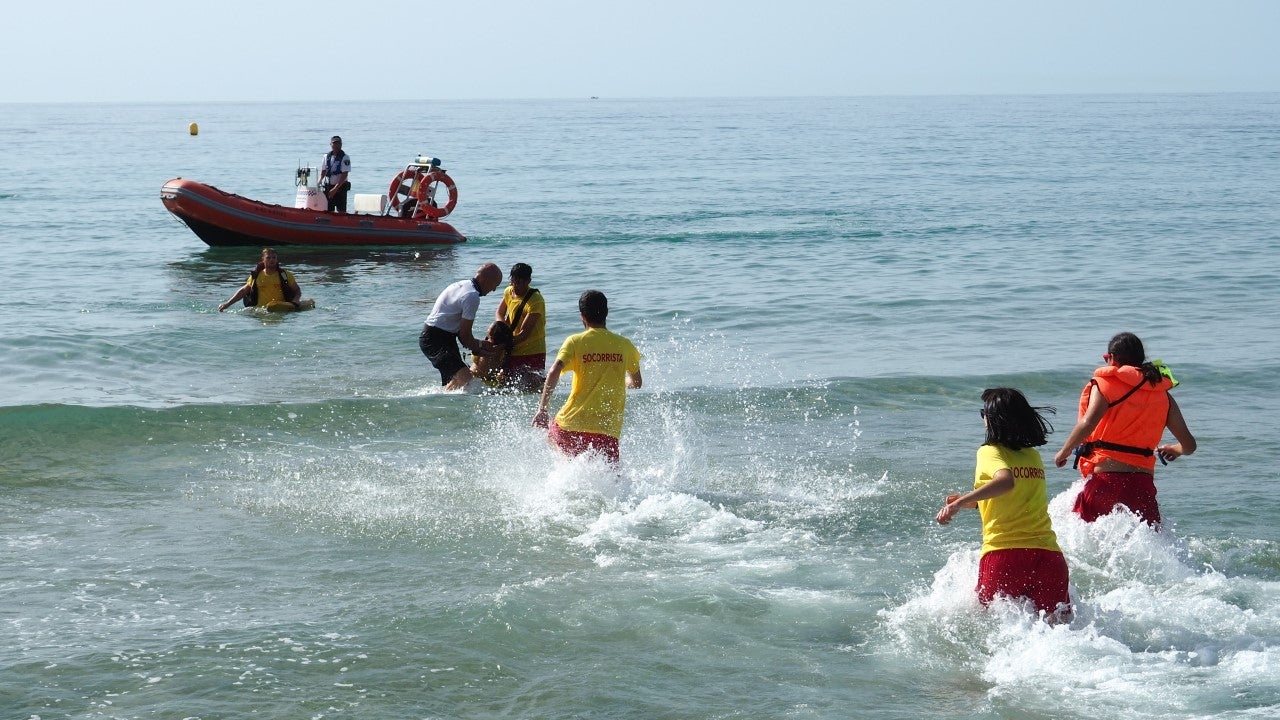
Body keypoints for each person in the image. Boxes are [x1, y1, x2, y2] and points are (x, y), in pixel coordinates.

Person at [936, 388, 1071, 621]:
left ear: (993, 419)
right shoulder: (1032, 456)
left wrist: (959, 503)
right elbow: (1018, 499)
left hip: (1005, 557)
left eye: (983, 413)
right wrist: (973, 502)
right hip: (1048, 559)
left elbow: (1005, 482)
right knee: (1058, 635)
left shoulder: (989, 451)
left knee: (993, 634)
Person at [1053, 332, 1197, 526]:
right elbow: (1189, 445)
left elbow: (1088, 423)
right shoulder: (1163, 395)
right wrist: (1175, 449)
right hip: (1142, 485)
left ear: (1111, 358)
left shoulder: (1105, 384)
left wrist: (1064, 451)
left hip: (1106, 481)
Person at [532, 290, 642, 463]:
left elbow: (554, 371)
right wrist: (621, 382)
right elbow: (637, 382)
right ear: (607, 313)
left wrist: (542, 409)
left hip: (570, 425)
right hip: (607, 430)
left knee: (552, 437)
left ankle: (567, 470)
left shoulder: (575, 342)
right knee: (612, 481)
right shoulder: (624, 345)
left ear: (582, 316)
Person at [419, 263, 504, 391]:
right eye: (494, 285)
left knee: (457, 383)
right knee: (469, 382)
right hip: (435, 340)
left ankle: (442, 405)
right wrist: (479, 346)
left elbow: (459, 331)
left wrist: (478, 346)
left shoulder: (462, 285)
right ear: (484, 279)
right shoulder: (472, 296)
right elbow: (465, 335)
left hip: (441, 337)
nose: (493, 290)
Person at [494, 263, 546, 391]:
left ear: (528, 281)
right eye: (513, 281)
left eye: (520, 283)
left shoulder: (536, 300)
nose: (515, 286)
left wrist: (503, 345)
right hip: (513, 347)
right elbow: (499, 313)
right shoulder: (508, 291)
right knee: (505, 385)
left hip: (533, 350)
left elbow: (524, 334)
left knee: (532, 388)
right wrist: (501, 328)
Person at [218, 247, 306, 311]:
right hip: (261, 311)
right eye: (268, 258)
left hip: (280, 309)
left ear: (276, 259)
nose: (271, 260)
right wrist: (227, 304)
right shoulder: (256, 275)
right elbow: (243, 291)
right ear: (263, 259)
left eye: (274, 257)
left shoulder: (285, 275)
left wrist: (296, 300)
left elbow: (297, 290)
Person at [470, 320, 514, 386]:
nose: (487, 329)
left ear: (492, 334)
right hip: (492, 383)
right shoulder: (504, 349)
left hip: (475, 381)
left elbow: (474, 350)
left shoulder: (486, 346)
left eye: (489, 328)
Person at [319, 135, 351, 213]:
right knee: (329, 210)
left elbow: (344, 174)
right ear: (331, 144)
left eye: (338, 143)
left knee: (341, 210)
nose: (336, 145)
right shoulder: (326, 156)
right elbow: (323, 172)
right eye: (334, 143)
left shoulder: (345, 157)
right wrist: (318, 182)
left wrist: (335, 189)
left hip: (340, 187)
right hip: (328, 186)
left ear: (341, 144)